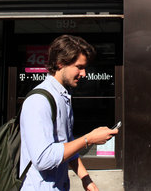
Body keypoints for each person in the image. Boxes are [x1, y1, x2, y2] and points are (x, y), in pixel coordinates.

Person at [20, 35, 118, 191]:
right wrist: (89, 139)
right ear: (60, 63)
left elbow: (66, 145)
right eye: (79, 67)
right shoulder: (39, 101)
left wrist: (85, 179)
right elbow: (43, 159)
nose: (84, 73)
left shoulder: (63, 96)